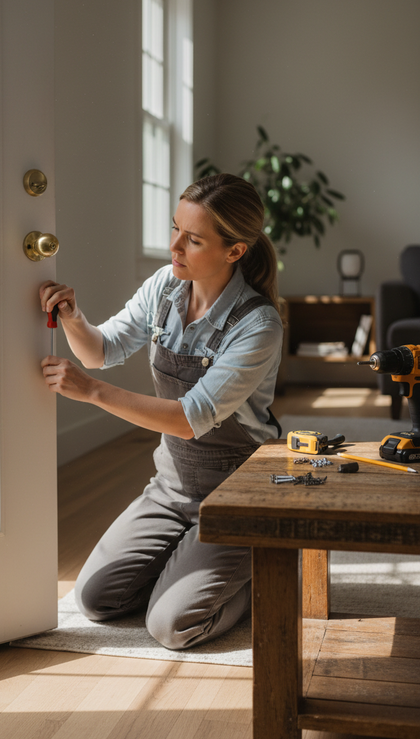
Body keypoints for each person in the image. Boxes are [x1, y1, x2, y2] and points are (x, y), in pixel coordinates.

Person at [40, 173, 283, 650]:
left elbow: (187, 419)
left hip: (237, 490)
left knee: (172, 625)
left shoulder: (258, 324)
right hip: (172, 488)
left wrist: (92, 393)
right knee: (95, 599)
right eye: (175, 229)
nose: (174, 246)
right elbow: (101, 350)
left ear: (235, 251)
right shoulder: (166, 287)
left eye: (192, 239)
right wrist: (72, 316)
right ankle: (192, 561)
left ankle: (259, 571)